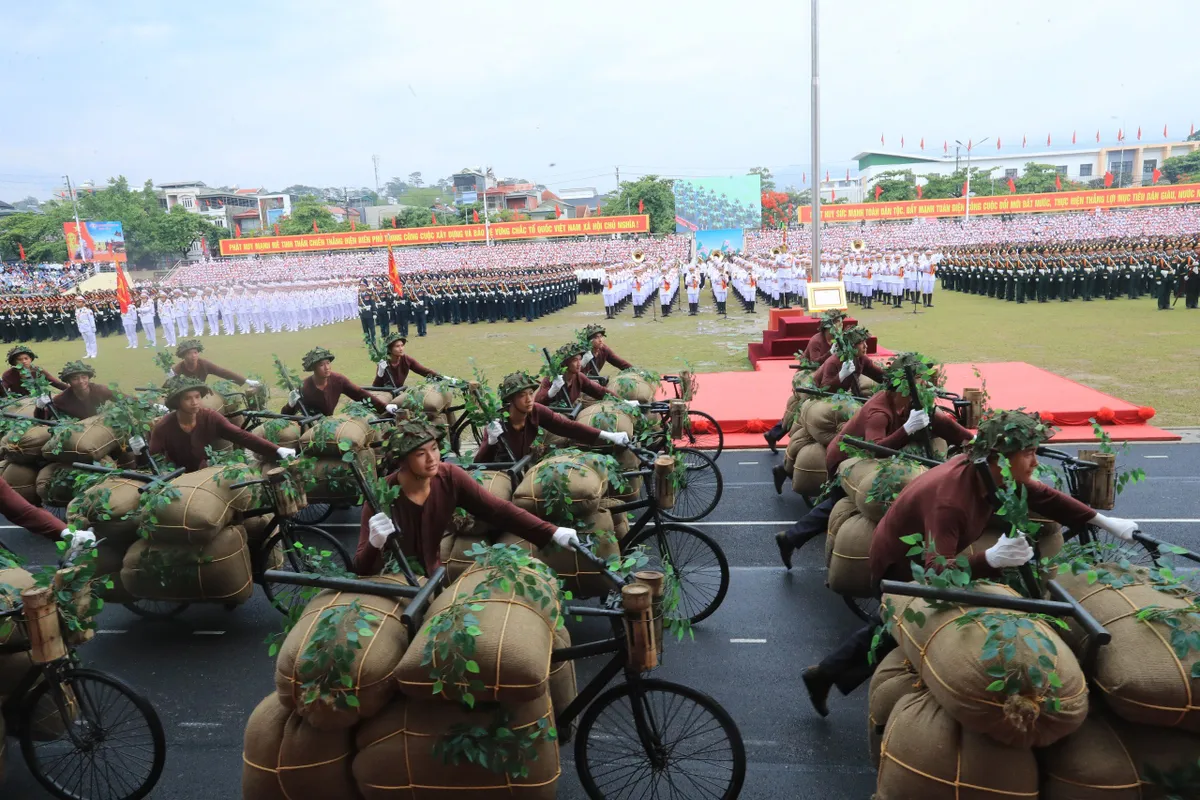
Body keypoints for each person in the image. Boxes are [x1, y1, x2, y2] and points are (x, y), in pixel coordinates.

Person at [800, 409, 1141, 716]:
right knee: (897, 627)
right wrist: (989, 559)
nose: (1035, 462)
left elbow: (1042, 495)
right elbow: (934, 571)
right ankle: (839, 682)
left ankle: (825, 674)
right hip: (902, 565)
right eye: (1028, 453)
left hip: (924, 555)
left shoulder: (989, 474)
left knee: (888, 631)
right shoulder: (951, 500)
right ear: (999, 458)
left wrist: (1102, 521)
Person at [773, 351, 972, 528]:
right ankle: (791, 537)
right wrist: (907, 428)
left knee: (835, 505)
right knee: (838, 502)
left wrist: (972, 442)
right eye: (921, 379)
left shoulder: (914, 403)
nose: (927, 385)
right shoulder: (879, 411)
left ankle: (791, 538)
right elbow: (875, 449)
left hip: (867, 457)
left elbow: (947, 427)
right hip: (845, 458)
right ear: (904, 384)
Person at [355, 419, 581, 575]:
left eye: (434, 448)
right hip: (393, 583)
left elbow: (498, 510)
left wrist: (551, 531)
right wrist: (375, 543)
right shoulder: (381, 497)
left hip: (434, 575)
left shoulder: (449, 477)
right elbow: (361, 568)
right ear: (402, 460)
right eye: (420, 454)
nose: (432, 458)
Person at [142, 376, 294, 472]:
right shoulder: (164, 426)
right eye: (188, 398)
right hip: (175, 475)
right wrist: (138, 452)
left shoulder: (210, 417)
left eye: (197, 397)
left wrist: (277, 450)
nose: (195, 402)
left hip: (205, 471)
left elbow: (241, 436)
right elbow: (151, 460)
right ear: (177, 402)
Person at [474, 372, 629, 463]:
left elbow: (567, 426)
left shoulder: (535, 411)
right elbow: (479, 462)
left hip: (523, 465)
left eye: (530, 394)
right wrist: (491, 442)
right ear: (510, 400)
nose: (529, 399)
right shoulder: (497, 424)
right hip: (501, 474)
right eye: (522, 396)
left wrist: (608, 435)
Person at [281, 347, 396, 417]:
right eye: (321, 365)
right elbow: (287, 416)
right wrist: (290, 405)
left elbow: (359, 394)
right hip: (311, 425)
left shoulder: (338, 380)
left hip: (330, 421)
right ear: (314, 368)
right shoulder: (304, 387)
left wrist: (384, 407)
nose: (327, 367)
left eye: (328, 363)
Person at [534, 342, 628, 407]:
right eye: (575, 360)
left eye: (580, 359)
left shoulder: (578, 377)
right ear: (565, 364)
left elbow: (599, 391)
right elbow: (537, 402)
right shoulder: (551, 379)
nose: (579, 363)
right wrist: (551, 393)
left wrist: (623, 402)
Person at [811, 328, 883, 394]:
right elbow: (824, 389)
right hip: (821, 395)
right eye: (861, 343)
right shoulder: (833, 362)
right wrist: (841, 375)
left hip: (846, 392)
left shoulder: (862, 359)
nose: (866, 346)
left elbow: (879, 374)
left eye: (865, 342)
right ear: (851, 346)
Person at [170, 339, 260, 388]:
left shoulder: (204, 364)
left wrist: (246, 381)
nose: (193, 356)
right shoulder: (178, 369)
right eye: (189, 353)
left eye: (195, 352)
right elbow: (168, 387)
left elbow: (223, 372)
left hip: (201, 393)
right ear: (183, 356)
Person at [49, 361, 114, 419]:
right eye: (75, 379)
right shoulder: (61, 399)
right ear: (68, 381)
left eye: (84, 377)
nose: (81, 381)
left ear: (89, 378)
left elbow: (123, 400)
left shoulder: (102, 390)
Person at [372, 334, 439, 389]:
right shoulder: (383, 362)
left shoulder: (406, 359)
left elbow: (424, 371)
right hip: (385, 394)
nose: (401, 349)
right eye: (397, 346)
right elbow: (376, 387)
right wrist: (380, 373)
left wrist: (443, 378)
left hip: (399, 391)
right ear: (389, 350)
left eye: (402, 345)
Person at [2, 345, 67, 397]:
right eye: (19, 360)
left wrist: (73, 389)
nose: (24, 361)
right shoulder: (8, 375)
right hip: (20, 402)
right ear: (14, 362)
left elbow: (56, 383)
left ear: (30, 359)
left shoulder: (38, 370)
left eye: (26, 358)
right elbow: (3, 392)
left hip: (39, 398)